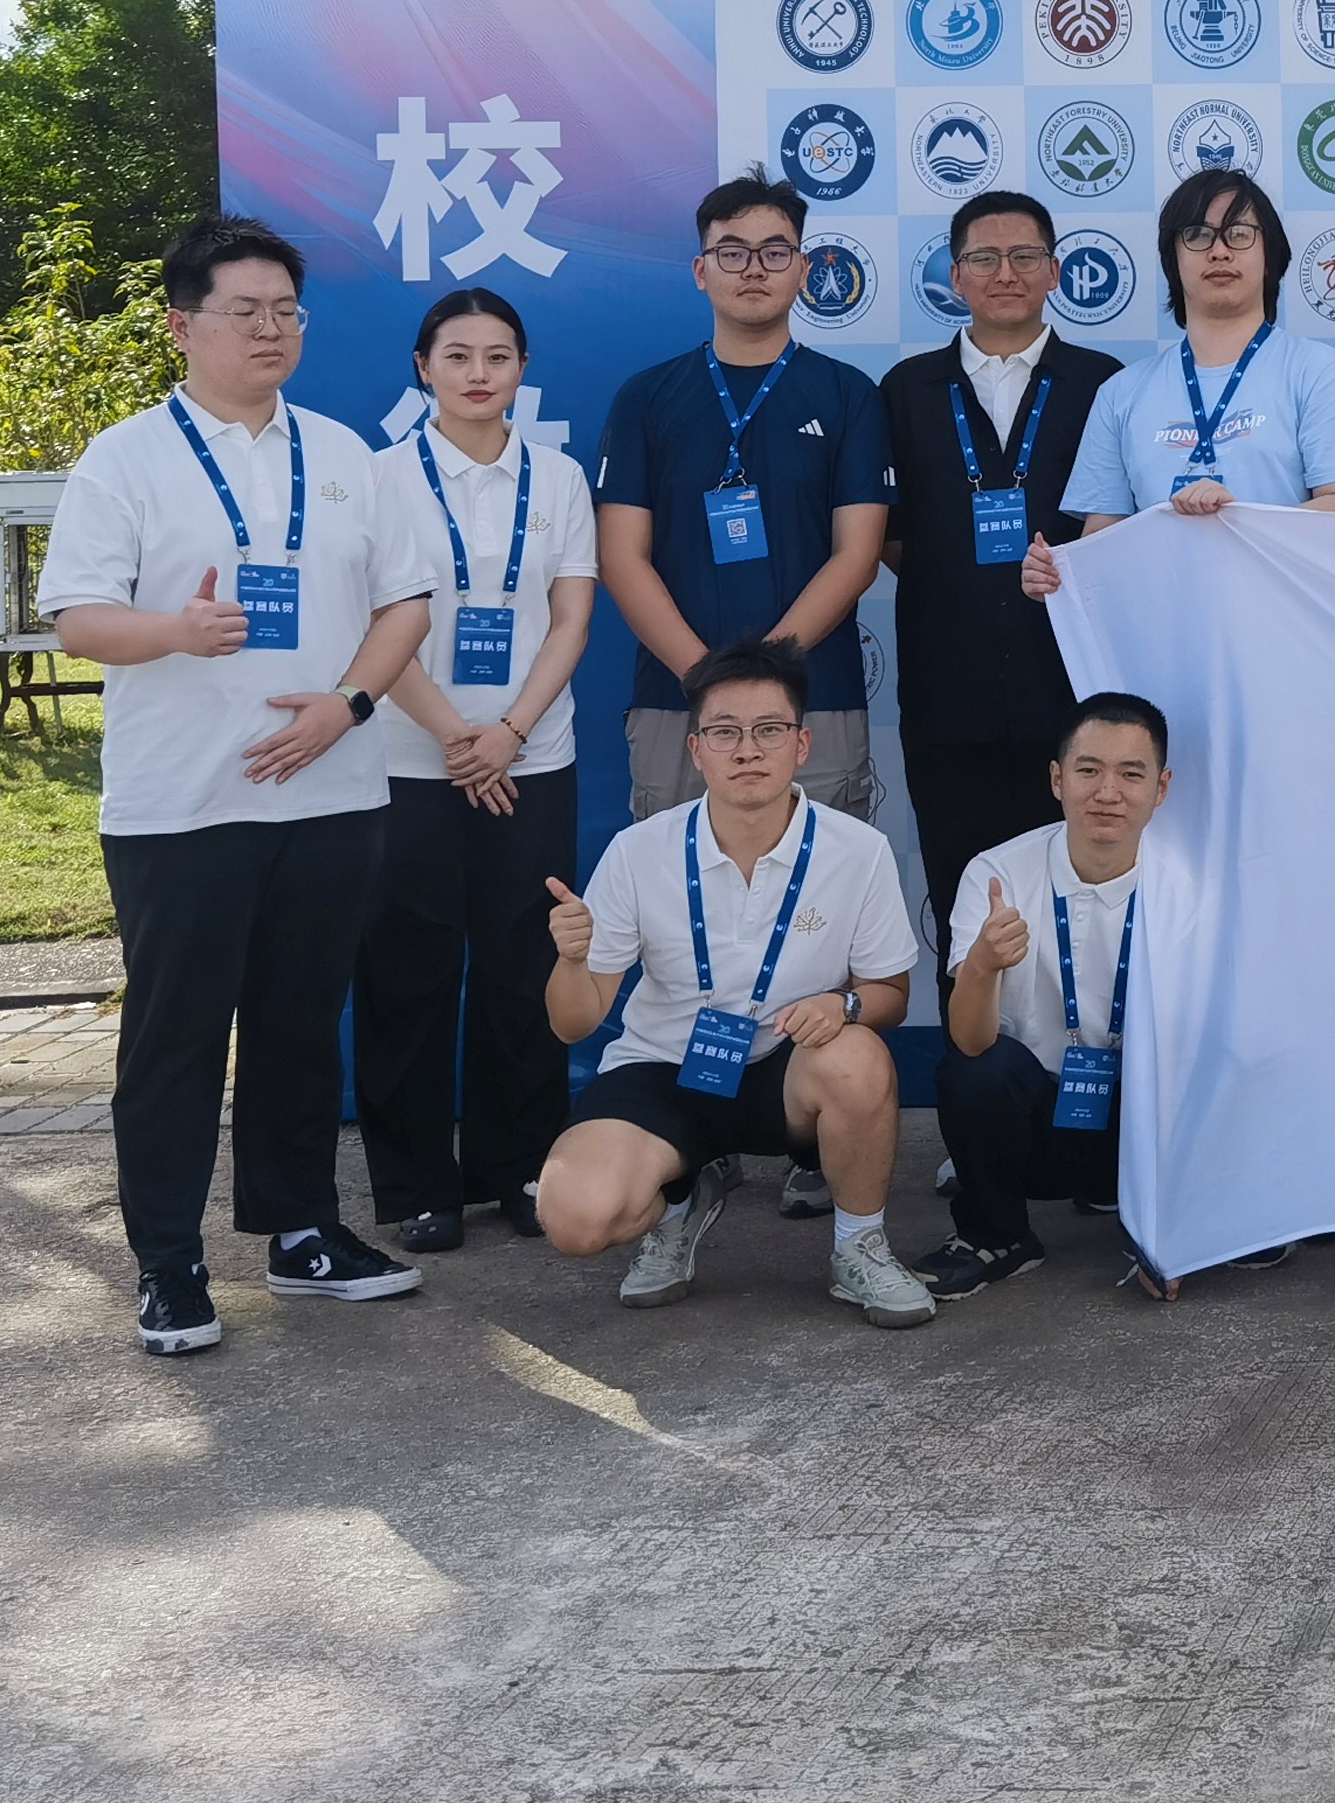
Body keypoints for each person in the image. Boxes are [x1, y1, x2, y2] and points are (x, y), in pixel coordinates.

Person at [38, 215, 440, 1357]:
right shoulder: (127, 457)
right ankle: (169, 1264)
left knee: (300, 1026)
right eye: (244, 311)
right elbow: (77, 620)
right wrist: (175, 629)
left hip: (332, 792)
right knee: (175, 1038)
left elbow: (406, 603)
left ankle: (302, 1232)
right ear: (182, 326)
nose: (271, 330)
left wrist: (347, 705)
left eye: (286, 311)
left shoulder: (347, 453)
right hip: (183, 804)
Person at [533, 639, 935, 1327]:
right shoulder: (639, 850)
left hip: (786, 1073)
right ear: (696, 750)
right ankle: (683, 1195)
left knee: (858, 1056)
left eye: (769, 730)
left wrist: (842, 1004)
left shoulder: (858, 850)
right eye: (725, 732)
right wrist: (571, 962)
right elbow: (573, 1024)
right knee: (574, 1218)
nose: (748, 750)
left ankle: (859, 1247)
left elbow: (890, 993)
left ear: (802, 744)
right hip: (667, 1069)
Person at [357, 288, 599, 1253]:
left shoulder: (560, 479)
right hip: (407, 759)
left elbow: (572, 618)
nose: (477, 374)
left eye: (498, 356)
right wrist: (459, 737)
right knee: (406, 971)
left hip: (531, 754)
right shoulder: (378, 478)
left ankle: (519, 1166)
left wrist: (509, 730)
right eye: (456, 355)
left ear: (522, 369)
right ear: (423, 367)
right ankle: (416, 1184)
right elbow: (378, 622)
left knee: (523, 964)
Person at [594, 175, 893, 823]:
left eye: (775, 252)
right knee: (676, 879)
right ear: (701, 271)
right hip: (678, 699)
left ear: (804, 270)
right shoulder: (645, 398)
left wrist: (766, 677)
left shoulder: (850, 395)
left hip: (814, 698)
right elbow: (620, 557)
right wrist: (707, 678)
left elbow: (858, 556)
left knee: (820, 879)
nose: (754, 269)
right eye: (732, 252)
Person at [881, 189, 1122, 937]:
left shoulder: (1104, 384)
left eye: (1024, 256)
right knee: (963, 903)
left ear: (1055, 271)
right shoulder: (905, 391)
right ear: (955, 277)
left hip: (1071, 695)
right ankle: (971, 1019)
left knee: (1079, 907)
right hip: (946, 699)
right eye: (984, 258)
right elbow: (889, 536)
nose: (1005, 273)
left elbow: (1122, 535)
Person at [919, 692, 1174, 1301]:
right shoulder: (997, 873)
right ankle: (996, 1235)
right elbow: (969, 1042)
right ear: (1057, 779)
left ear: (1161, 788)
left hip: (1144, 1123)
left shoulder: (1191, 884)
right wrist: (983, 965)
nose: (1107, 792)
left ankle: (1178, 1225)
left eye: (1130, 774)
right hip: (1038, 1123)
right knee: (976, 1073)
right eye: (1089, 770)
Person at [1047, 166, 1335, 553]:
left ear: (1270, 255)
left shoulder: (1320, 373)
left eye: (1239, 234)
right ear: (1173, 261)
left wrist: (1237, 520)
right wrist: (1057, 572)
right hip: (1162, 595)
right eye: (1197, 235)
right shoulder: (1120, 393)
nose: (1219, 251)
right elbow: (1102, 539)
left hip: (1280, 594)